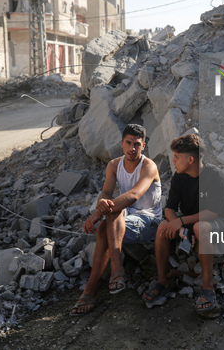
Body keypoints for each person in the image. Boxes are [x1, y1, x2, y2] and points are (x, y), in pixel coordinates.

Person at [70, 124, 162, 317]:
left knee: (107, 219)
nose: (132, 148)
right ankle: (115, 272)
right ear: (121, 144)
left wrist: (97, 214)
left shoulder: (149, 166)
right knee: (109, 216)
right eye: (128, 143)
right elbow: (106, 192)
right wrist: (101, 203)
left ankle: (93, 287)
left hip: (150, 221)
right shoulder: (114, 165)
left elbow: (134, 195)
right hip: (123, 218)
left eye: (136, 144)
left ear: (143, 146)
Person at [142, 134, 224, 314]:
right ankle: (162, 281)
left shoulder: (215, 176)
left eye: (177, 157)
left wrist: (182, 222)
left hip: (217, 220)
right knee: (162, 227)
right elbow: (169, 208)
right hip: (189, 219)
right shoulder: (179, 177)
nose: (173, 161)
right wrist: (178, 225)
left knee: (200, 227)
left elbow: (212, 212)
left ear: (190, 159)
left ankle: (208, 287)